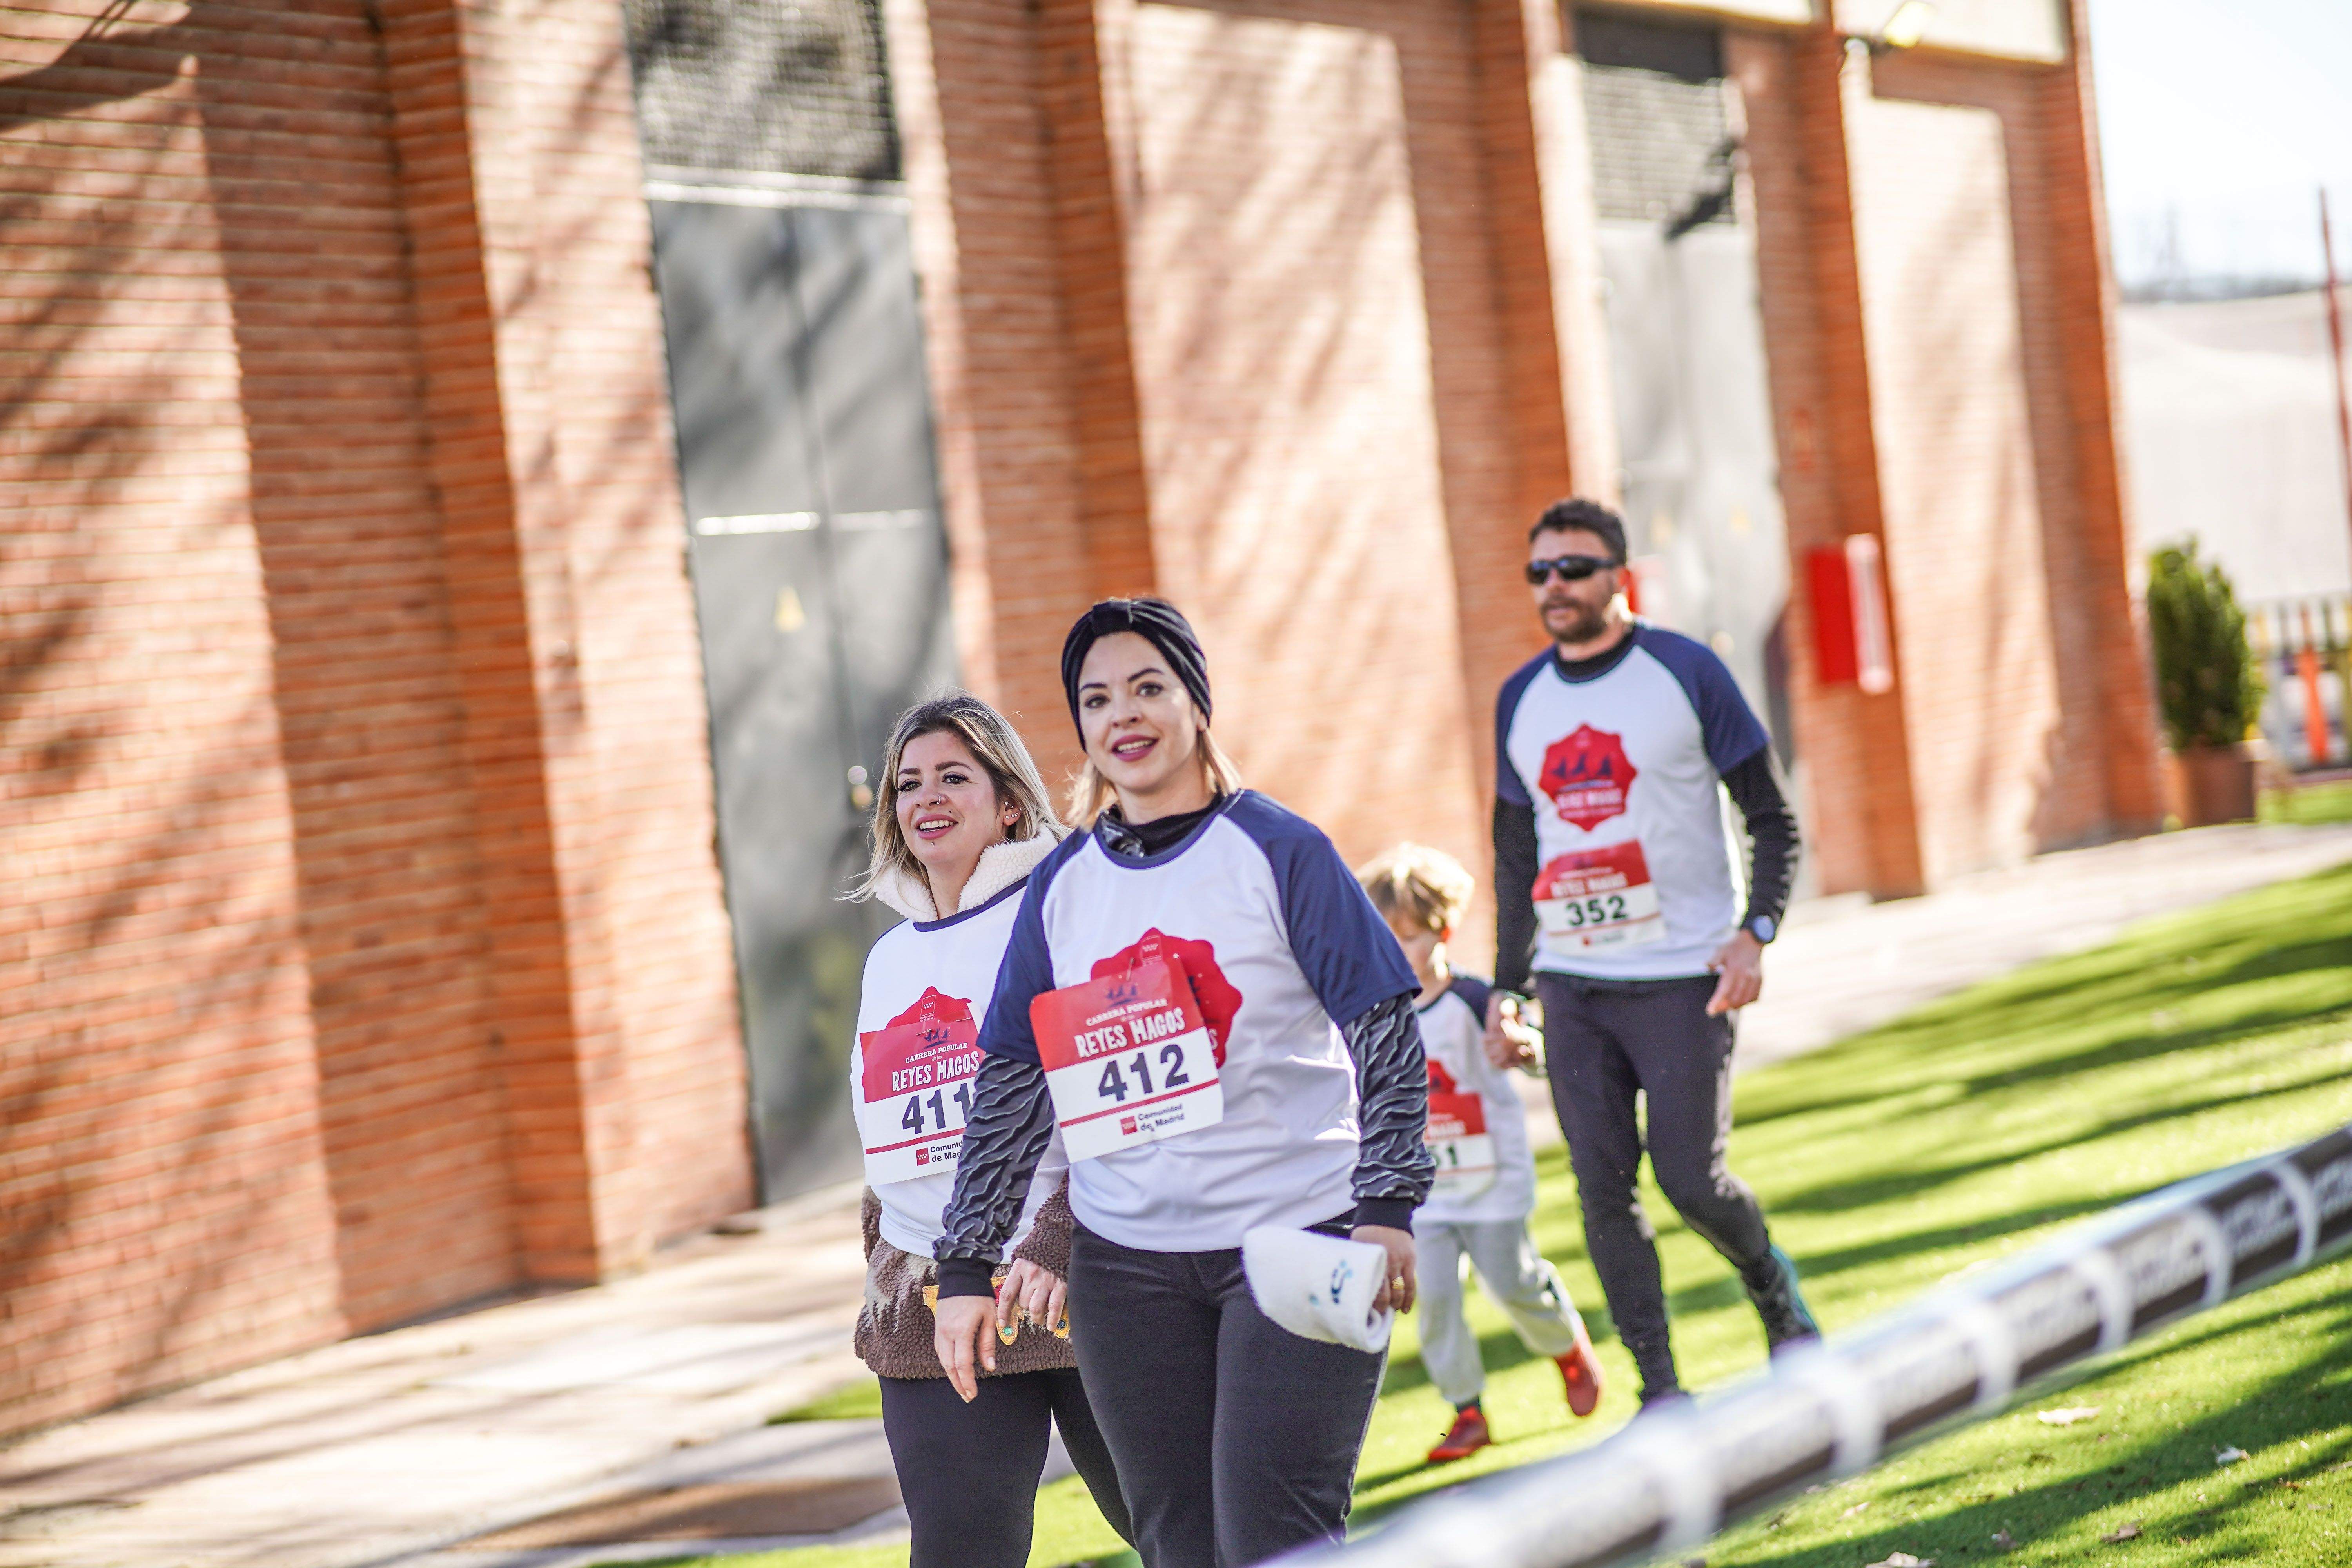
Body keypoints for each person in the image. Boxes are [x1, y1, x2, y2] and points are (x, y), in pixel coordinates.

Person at [933, 597, 1435, 1568]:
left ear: (1196, 703)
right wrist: (965, 1266)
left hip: (1298, 1234)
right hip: (1128, 1268)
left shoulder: (1280, 850)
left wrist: (1388, 1202)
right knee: (1178, 1542)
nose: (1124, 713)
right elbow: (1010, 1080)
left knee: (1274, 1536)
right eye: (1097, 696)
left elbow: (1385, 1029)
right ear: (1079, 727)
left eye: (1148, 687)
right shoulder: (1063, 883)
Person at [1488, 497, 1817, 1409]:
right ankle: (1661, 1388)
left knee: (1690, 1180)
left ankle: (1772, 1289)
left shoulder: (1687, 670)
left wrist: (1757, 933)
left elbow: (1772, 818)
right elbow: (1517, 855)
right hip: (1574, 982)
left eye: (1575, 568)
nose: (1555, 585)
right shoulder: (1521, 697)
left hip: (1683, 977)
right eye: (1540, 570)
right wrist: (1510, 988)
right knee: (1602, 1192)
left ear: (1618, 575)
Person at [845, 693, 1132, 1568]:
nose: (926, 797)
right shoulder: (889, 957)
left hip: (1078, 1277)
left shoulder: (1063, 915)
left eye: (954, 776)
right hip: (935, 1305)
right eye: (909, 782)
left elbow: (1119, 1101)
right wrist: (885, 1261)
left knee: (1184, 1528)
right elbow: (887, 1140)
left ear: (1009, 800)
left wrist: (1057, 1239)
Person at [1356, 843, 1605, 1463]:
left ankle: (1567, 1347)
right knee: (1434, 1302)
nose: (1396, 955)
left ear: (1443, 931)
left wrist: (1523, 1049)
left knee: (1514, 1283)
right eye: (1383, 941)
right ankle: (1466, 1411)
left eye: (1408, 940)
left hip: (1492, 1181)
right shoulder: (1369, 1017)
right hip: (1423, 1196)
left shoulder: (1476, 1001)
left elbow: (1533, 1052)